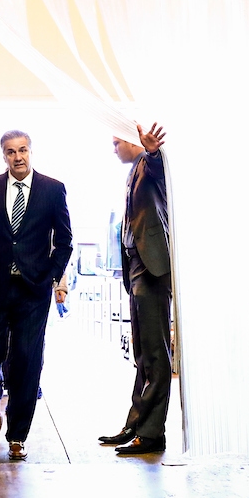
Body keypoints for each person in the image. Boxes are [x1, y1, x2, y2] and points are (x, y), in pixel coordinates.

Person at [0, 130, 73, 461]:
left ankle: (17, 435)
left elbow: (65, 240)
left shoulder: (52, 189)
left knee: (26, 360)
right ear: (3, 155)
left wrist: (51, 275)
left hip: (33, 291)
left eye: (22, 150)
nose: (17, 157)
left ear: (31, 151)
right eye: (10, 152)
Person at [100, 122, 173, 456]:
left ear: (133, 141)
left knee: (155, 354)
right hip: (137, 266)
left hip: (152, 267)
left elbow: (160, 170)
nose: (113, 148)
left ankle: (152, 433)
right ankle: (136, 424)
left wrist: (153, 152)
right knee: (142, 353)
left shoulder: (149, 163)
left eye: (117, 142)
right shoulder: (133, 171)